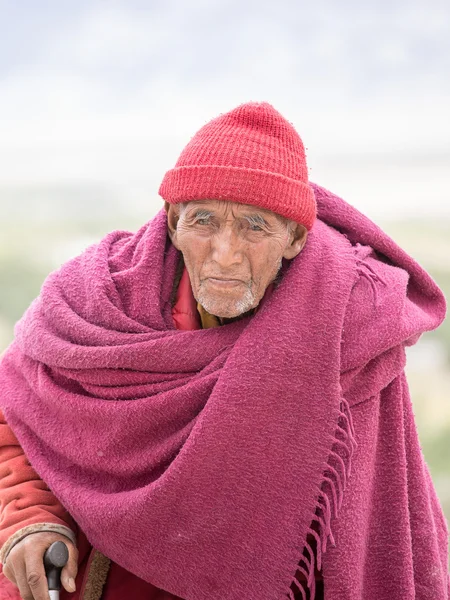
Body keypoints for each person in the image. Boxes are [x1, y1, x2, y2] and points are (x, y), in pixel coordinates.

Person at [0, 102, 448, 600]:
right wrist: (31, 515)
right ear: (172, 222)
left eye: (254, 227)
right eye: (204, 221)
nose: (225, 252)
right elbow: (18, 412)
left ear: (295, 237)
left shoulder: (352, 331)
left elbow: (370, 518)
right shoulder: (97, 302)